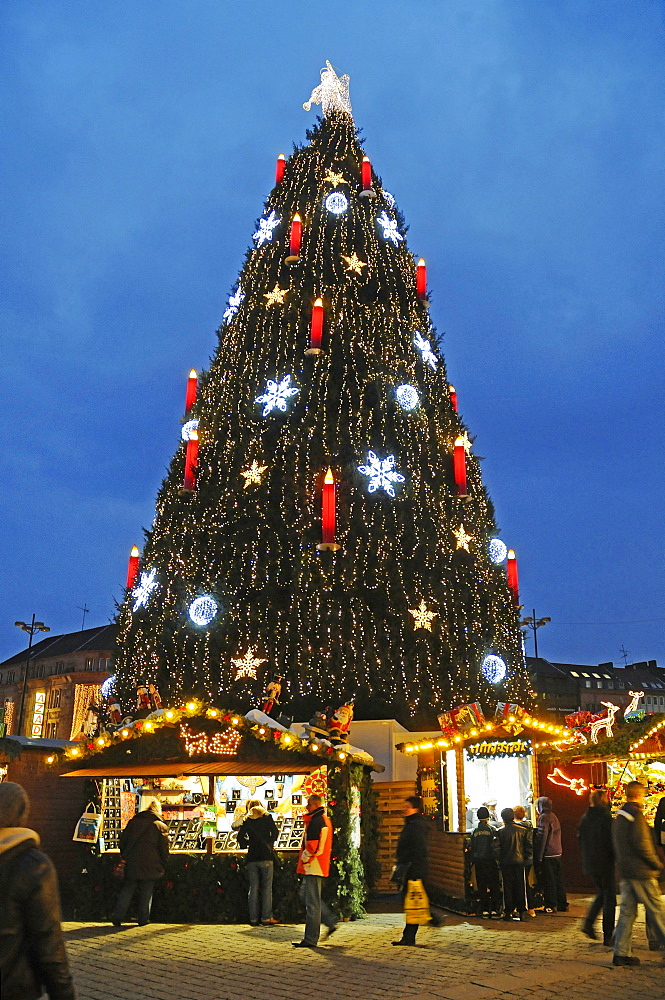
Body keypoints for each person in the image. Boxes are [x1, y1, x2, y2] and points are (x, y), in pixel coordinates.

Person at [0, 781, 75, 1000]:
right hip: (14, 988)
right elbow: (48, 940)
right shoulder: (33, 865)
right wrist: (63, 993)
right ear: (22, 813)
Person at [612, 780, 665, 967]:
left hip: (626, 871)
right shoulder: (636, 815)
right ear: (638, 795)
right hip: (641, 872)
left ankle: (621, 952)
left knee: (628, 912)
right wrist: (656, 863)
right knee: (657, 911)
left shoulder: (620, 815)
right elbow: (642, 844)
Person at [110, 797, 170, 927]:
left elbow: (123, 842)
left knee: (128, 889)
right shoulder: (160, 826)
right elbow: (163, 848)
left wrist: (126, 855)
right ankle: (143, 919)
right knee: (147, 891)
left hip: (132, 862)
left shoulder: (133, 822)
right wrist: (164, 862)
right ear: (158, 811)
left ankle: (118, 916)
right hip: (151, 864)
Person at [392, 795, 443, 945]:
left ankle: (430, 919)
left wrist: (409, 864)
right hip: (413, 867)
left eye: (407, 807)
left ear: (415, 809)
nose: (404, 809)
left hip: (414, 868)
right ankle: (412, 934)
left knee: (412, 901)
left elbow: (417, 849)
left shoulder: (415, 826)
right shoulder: (413, 824)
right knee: (413, 901)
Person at [292, 794, 338, 948]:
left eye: (309, 804)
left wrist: (304, 859)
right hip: (319, 864)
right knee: (310, 897)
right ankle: (329, 920)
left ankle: (311, 938)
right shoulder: (324, 820)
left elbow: (312, 846)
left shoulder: (315, 821)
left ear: (316, 804)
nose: (306, 807)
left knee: (311, 902)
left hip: (313, 865)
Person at [577, 788, 615, 946]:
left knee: (601, 894)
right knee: (609, 898)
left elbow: (580, 840)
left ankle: (589, 923)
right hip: (605, 862)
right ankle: (608, 934)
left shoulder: (585, 818)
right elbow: (610, 842)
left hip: (591, 862)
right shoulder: (606, 818)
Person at [236, 799, 280, 926]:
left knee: (253, 888)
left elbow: (240, 838)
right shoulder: (266, 817)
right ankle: (266, 917)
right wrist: (269, 842)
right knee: (267, 888)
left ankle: (253, 919)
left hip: (252, 857)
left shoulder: (247, 820)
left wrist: (249, 843)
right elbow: (275, 832)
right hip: (266, 856)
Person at [493, 807, 532, 921]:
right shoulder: (523, 830)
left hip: (506, 862)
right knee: (521, 885)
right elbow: (528, 846)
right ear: (513, 816)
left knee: (507, 887)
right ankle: (522, 911)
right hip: (520, 862)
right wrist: (525, 858)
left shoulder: (500, 831)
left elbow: (496, 849)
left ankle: (508, 912)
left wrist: (500, 859)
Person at [535, 796, 568, 913]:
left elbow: (542, 838)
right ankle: (562, 903)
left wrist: (539, 856)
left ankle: (550, 904)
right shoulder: (554, 816)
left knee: (549, 880)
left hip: (548, 853)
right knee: (558, 879)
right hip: (557, 852)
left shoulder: (543, 818)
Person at [470, 806, 501, 917]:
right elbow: (496, 846)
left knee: (482, 885)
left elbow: (472, 847)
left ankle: (484, 909)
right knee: (494, 885)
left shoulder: (474, 831)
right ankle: (494, 909)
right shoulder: (492, 829)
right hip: (490, 861)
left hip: (479, 861)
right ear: (488, 816)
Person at [513, 805, 536, 917]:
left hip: (521, 859)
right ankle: (528, 907)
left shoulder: (518, 828)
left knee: (522, 883)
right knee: (525, 882)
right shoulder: (529, 826)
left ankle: (528, 907)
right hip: (528, 859)